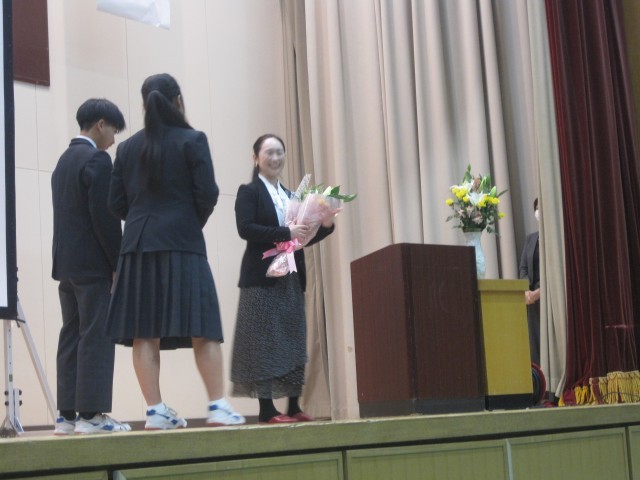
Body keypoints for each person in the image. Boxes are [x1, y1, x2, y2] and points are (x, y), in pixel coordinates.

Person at [105, 73, 244, 429]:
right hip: (183, 241)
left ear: (144, 104)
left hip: (137, 245)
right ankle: (217, 406)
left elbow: (116, 203)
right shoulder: (193, 139)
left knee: (143, 331)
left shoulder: (127, 148)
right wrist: (188, 219)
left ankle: (155, 412)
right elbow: (208, 193)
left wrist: (143, 219)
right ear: (178, 101)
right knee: (203, 325)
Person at [231, 134, 336, 424]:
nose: (275, 158)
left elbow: (302, 238)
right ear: (255, 158)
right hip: (261, 276)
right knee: (263, 340)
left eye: (280, 152)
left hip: (290, 275)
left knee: (293, 339)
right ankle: (267, 409)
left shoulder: (292, 196)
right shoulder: (249, 191)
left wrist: (326, 224)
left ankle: (293, 405)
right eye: (269, 153)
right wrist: (284, 233)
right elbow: (245, 229)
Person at [51, 98, 131, 434]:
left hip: (65, 265)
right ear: (101, 124)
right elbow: (106, 218)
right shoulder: (97, 159)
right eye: (113, 131)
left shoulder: (63, 161)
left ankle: (66, 416)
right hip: (93, 265)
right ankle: (91, 415)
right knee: (96, 334)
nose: (112, 140)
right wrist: (116, 262)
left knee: (71, 334)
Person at [519, 197, 541, 366]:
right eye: (536, 208)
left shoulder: (557, 238)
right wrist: (526, 290)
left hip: (548, 296)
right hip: (531, 299)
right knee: (535, 342)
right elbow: (523, 268)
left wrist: (540, 292)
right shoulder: (531, 238)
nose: (538, 212)